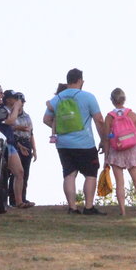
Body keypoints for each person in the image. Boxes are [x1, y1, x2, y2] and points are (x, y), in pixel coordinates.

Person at [43, 68, 107, 215]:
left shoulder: (57, 98)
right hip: (85, 143)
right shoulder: (88, 97)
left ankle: (72, 207)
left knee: (69, 174)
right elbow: (99, 120)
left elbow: (46, 119)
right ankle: (89, 207)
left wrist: (59, 128)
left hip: (63, 144)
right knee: (90, 174)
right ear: (80, 80)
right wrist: (103, 140)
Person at [0, 83, 31, 209]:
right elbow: (10, 120)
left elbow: (4, 127)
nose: (2, 95)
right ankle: (7, 202)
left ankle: (18, 201)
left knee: (19, 172)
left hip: (9, 143)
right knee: (7, 174)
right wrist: (16, 107)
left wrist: (18, 144)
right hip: (2, 145)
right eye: (0, 93)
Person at [103, 88, 136, 217]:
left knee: (119, 182)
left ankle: (123, 211)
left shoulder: (109, 117)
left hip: (117, 150)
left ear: (112, 100)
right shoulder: (132, 115)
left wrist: (106, 155)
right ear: (124, 99)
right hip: (131, 149)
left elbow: (106, 138)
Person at [4, 90, 36, 207]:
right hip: (15, 142)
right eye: (19, 100)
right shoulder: (7, 112)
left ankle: (22, 198)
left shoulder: (26, 116)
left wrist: (34, 149)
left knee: (24, 173)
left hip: (26, 143)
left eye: (22, 101)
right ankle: (13, 200)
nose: (21, 103)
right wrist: (18, 128)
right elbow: (7, 127)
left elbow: (31, 133)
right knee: (14, 173)